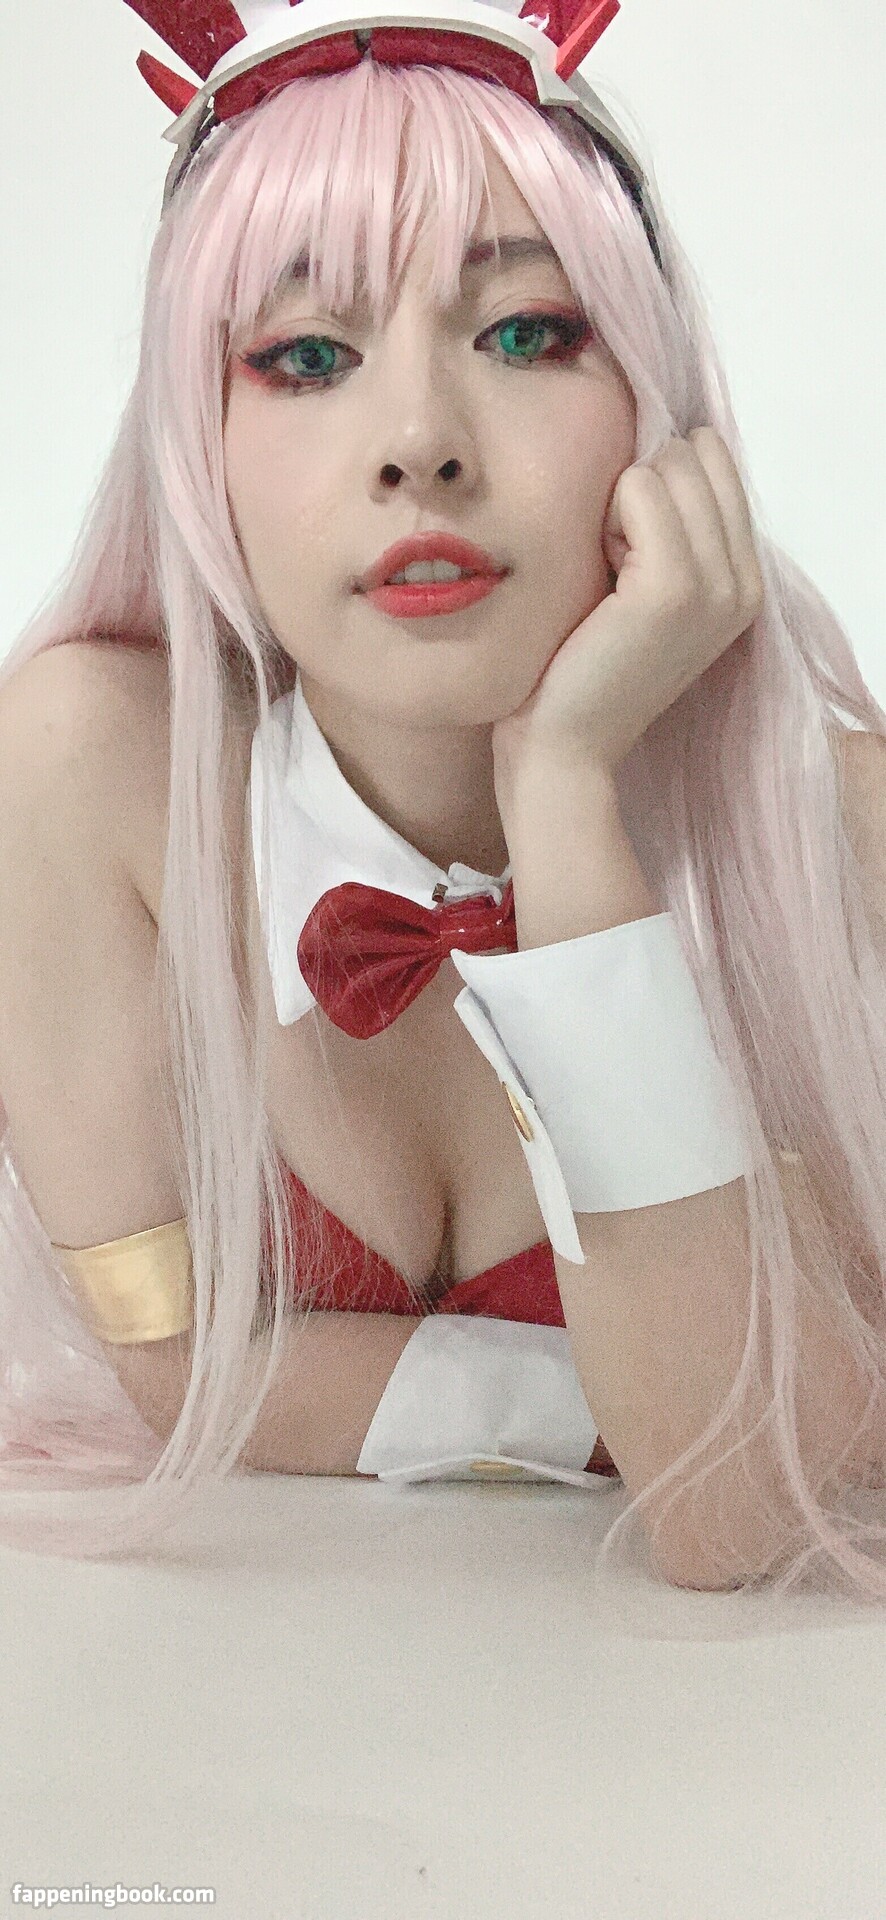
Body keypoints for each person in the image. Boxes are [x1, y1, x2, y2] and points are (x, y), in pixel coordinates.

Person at [0, 0, 884, 1602]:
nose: (417, 443)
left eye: (526, 334)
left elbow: (737, 1513)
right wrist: (606, 1405)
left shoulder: (837, 836)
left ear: (658, 407)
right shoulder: (82, 772)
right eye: (305, 357)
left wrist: (565, 796)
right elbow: (179, 1374)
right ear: (199, 442)